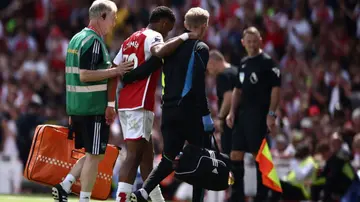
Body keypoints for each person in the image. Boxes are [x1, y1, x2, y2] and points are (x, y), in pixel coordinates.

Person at [110, 6, 200, 202]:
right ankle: (121, 199)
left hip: (126, 102)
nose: (167, 34)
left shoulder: (130, 39)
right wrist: (185, 37)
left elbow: (115, 68)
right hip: (138, 102)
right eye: (168, 30)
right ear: (164, 23)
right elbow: (160, 51)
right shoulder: (154, 36)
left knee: (147, 159)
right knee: (133, 156)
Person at [52, 1, 134, 202]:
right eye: (113, 19)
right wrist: (117, 70)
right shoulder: (94, 42)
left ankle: (65, 186)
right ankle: (84, 198)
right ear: (102, 16)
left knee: (93, 153)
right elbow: (85, 75)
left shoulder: (76, 39)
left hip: (79, 105)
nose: (114, 24)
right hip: (91, 106)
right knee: (94, 154)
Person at [129, 7, 213, 202]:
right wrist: (206, 114)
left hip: (168, 111)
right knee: (200, 157)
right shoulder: (201, 48)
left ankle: (143, 192)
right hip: (190, 111)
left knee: (168, 157)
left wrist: (128, 76)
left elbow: (149, 67)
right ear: (205, 27)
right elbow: (198, 84)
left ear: (185, 24)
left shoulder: (171, 46)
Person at [226, 26, 281, 202]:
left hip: (259, 115)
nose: (251, 44)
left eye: (254, 40)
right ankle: (237, 195)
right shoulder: (242, 64)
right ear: (243, 43)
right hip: (242, 115)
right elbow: (237, 90)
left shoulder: (267, 62)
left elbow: (276, 89)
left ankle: (262, 196)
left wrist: (271, 113)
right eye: (248, 41)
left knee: (259, 156)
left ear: (260, 41)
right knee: (235, 154)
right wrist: (231, 112)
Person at [207, 49, 237, 155]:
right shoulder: (235, 70)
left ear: (212, 62)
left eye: (208, 67)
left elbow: (228, 97)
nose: (209, 71)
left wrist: (220, 117)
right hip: (240, 120)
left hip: (229, 122)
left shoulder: (223, 76)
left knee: (229, 155)